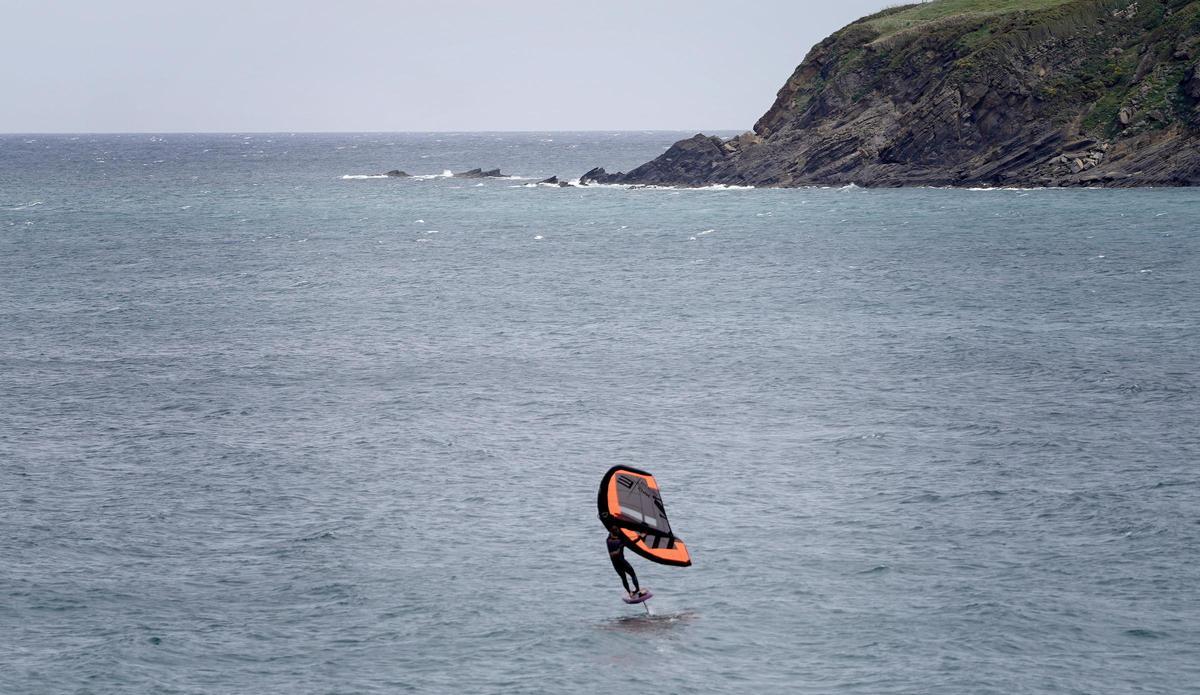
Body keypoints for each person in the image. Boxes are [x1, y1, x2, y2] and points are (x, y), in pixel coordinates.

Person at [607, 528, 644, 597]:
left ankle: (629, 592)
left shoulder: (608, 540)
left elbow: (610, 530)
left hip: (615, 564)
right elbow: (632, 543)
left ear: (611, 533)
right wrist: (640, 537)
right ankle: (637, 590)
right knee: (633, 574)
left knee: (623, 578)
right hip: (622, 562)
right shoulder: (620, 542)